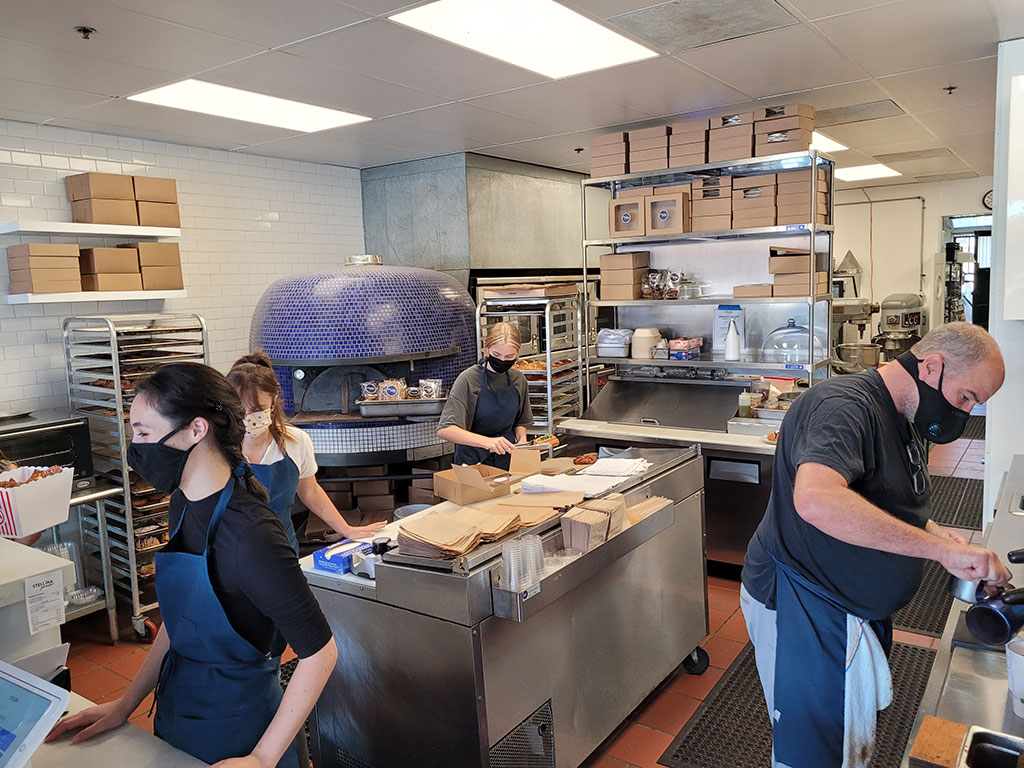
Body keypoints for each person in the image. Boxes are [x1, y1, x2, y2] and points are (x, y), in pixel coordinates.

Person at [740, 322, 1011, 768]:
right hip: (805, 604)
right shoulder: (843, 406)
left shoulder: (903, 416)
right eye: (966, 397)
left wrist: (939, 535)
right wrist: (940, 552)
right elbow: (817, 499)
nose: (964, 412)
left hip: (848, 605)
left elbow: (882, 502)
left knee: (842, 745)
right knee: (811, 754)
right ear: (932, 367)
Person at [47, 363, 337, 768]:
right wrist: (125, 704)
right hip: (178, 716)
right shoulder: (183, 503)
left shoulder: (252, 535)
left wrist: (261, 758)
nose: (136, 446)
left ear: (196, 430)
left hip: (239, 731)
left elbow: (320, 652)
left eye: (145, 433)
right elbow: (180, 622)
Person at [227, 351, 384, 553]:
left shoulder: (295, 442)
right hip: (231, 551)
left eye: (257, 410)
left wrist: (346, 529)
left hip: (281, 548)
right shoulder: (218, 448)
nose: (248, 417)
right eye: (240, 410)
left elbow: (310, 492)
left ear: (274, 402)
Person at [437, 322, 534, 470]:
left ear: (518, 353)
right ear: (486, 348)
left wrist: (522, 441)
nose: (502, 360)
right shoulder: (468, 380)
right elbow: (446, 430)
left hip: (509, 461)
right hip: (473, 463)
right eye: (496, 355)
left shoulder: (518, 379)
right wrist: (488, 442)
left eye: (509, 356)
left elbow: (520, 422)